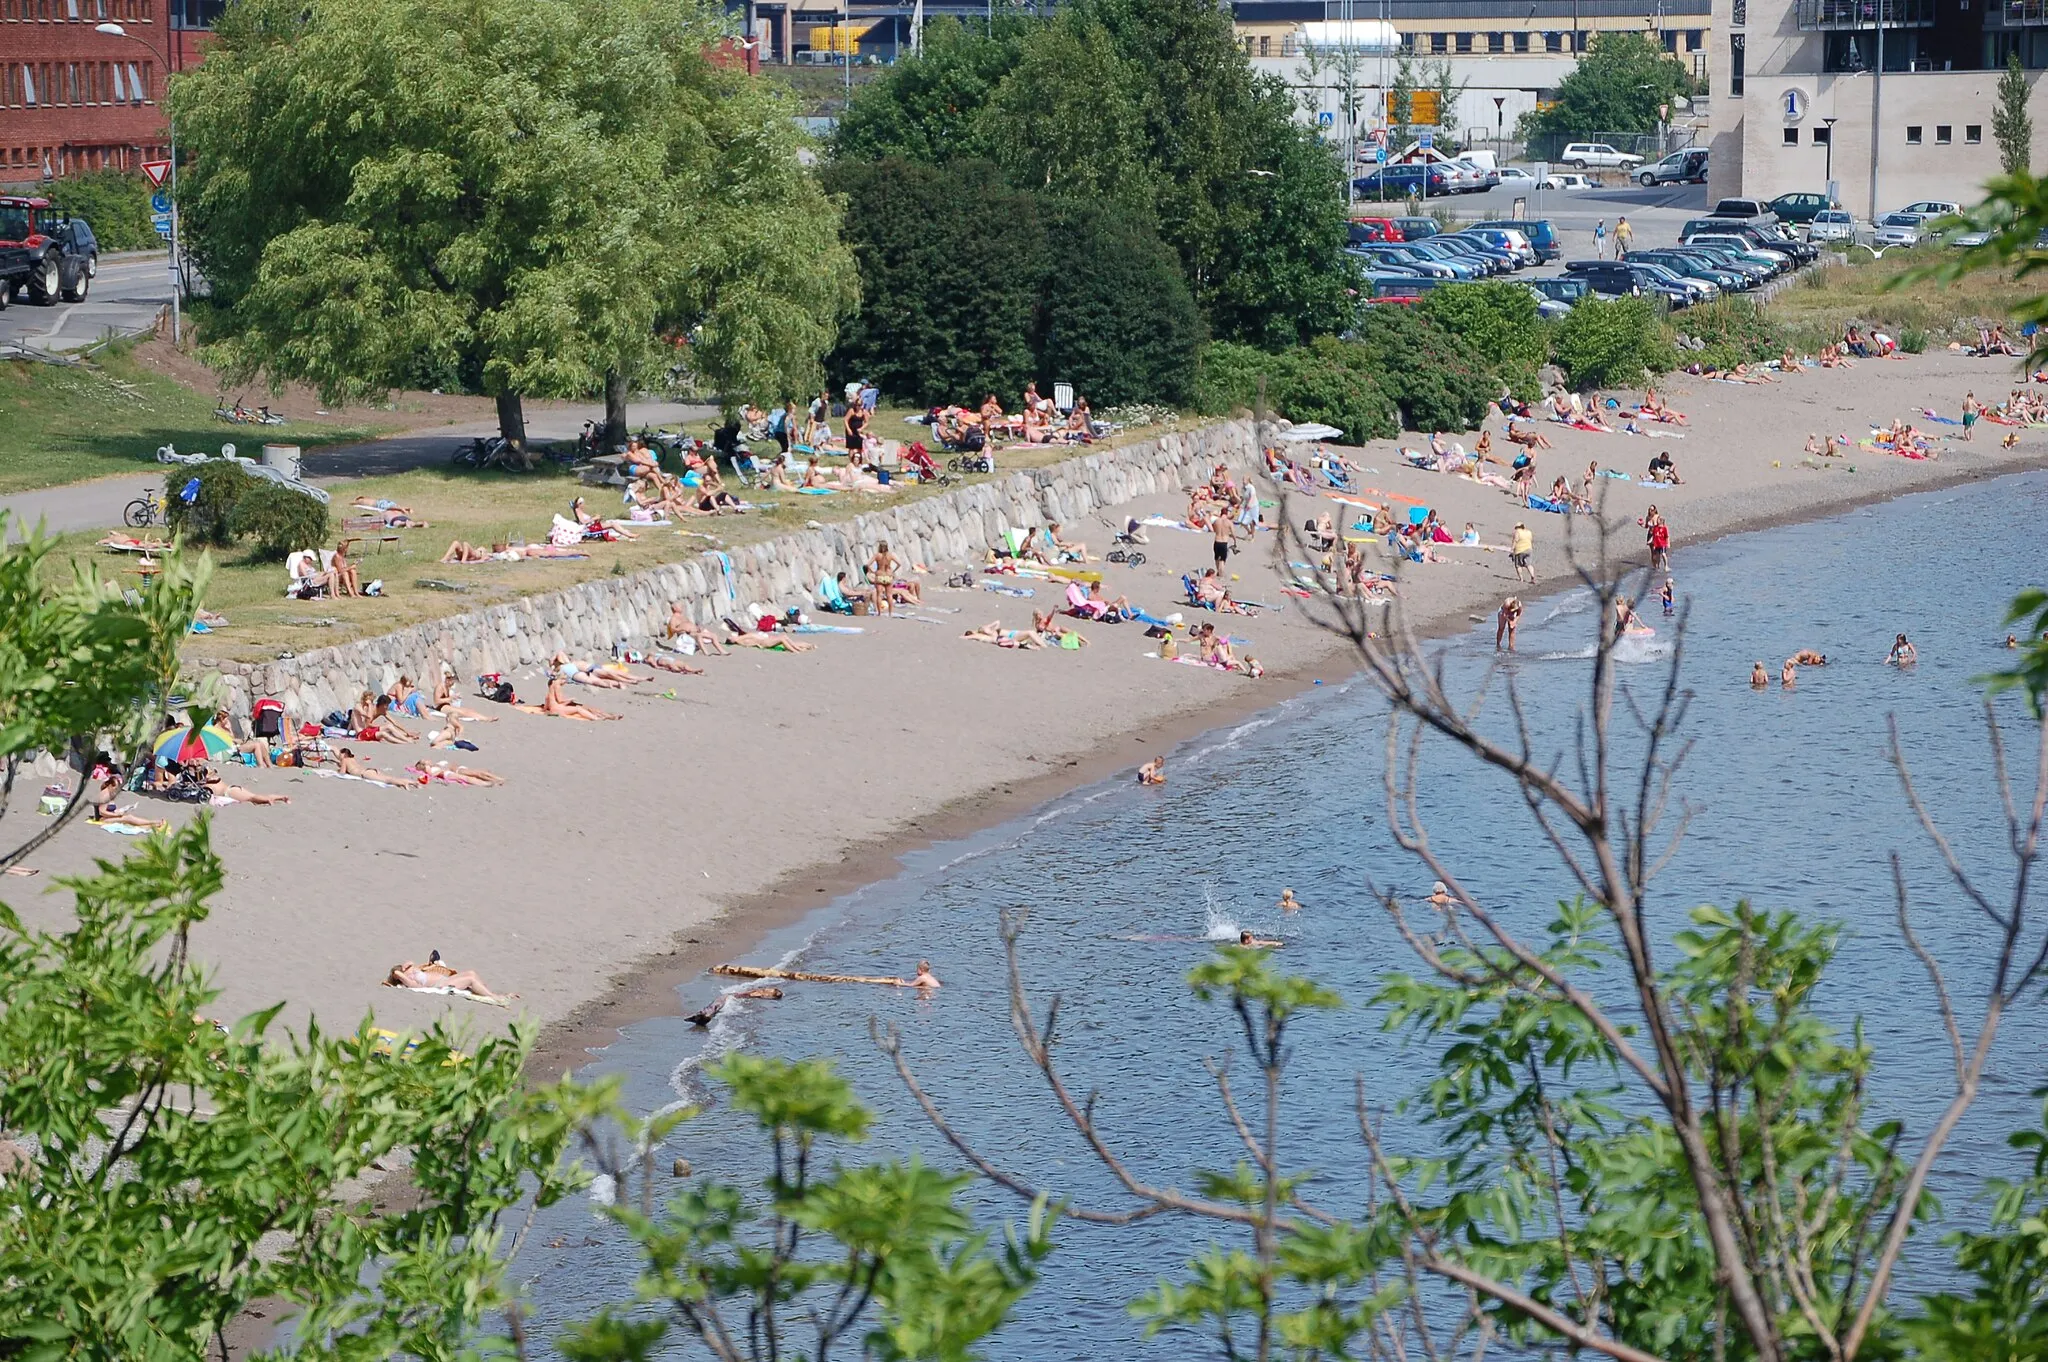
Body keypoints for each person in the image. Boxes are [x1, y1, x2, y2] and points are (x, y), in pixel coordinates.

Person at [386, 958, 512, 1000]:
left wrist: (406, 967)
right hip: (441, 984)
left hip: (445, 979)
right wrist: (399, 972)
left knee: (471, 973)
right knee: (470, 979)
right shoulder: (409, 981)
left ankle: (488, 992)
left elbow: (410, 962)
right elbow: (397, 973)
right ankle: (493, 997)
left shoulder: (411, 970)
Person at [337, 748, 421, 787]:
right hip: (370, 770)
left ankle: (404, 783)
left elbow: (342, 773)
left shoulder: (345, 760)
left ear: (344, 754)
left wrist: (338, 769)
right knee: (389, 777)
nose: (339, 756)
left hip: (365, 773)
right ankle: (413, 782)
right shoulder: (353, 759)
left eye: (340, 754)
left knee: (387, 780)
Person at [201, 770, 291, 805]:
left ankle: (268, 800)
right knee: (253, 796)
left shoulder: (212, 781)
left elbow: (213, 779)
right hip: (232, 789)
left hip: (230, 791)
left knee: (252, 797)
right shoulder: (210, 783)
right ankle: (280, 798)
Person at [868, 540, 899, 617]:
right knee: (889, 595)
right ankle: (890, 613)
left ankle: (879, 613)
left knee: (879, 595)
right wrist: (893, 571)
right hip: (888, 575)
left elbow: (868, 564)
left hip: (879, 575)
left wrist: (873, 571)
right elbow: (899, 564)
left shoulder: (877, 555)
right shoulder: (890, 555)